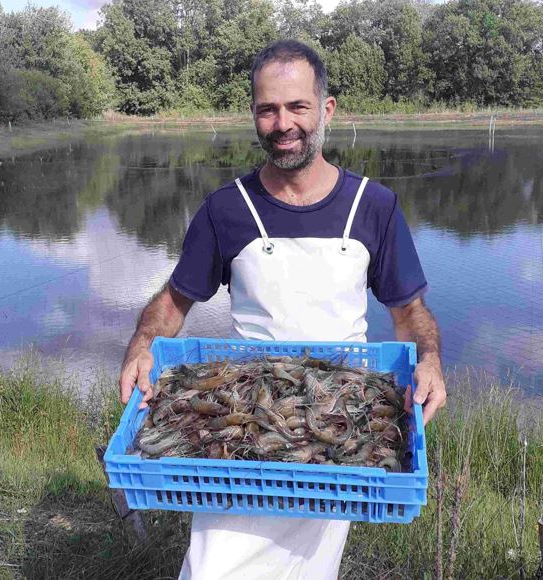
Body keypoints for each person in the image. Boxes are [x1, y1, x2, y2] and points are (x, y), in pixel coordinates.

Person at [119, 39, 447, 580]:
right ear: (254, 115)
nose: (283, 123)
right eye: (268, 109)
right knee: (213, 566)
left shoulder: (375, 206)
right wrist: (141, 344)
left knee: (309, 569)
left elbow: (409, 311)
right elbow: (174, 301)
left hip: (337, 418)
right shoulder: (226, 208)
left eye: (297, 106)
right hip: (245, 412)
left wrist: (430, 359)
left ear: (326, 109)